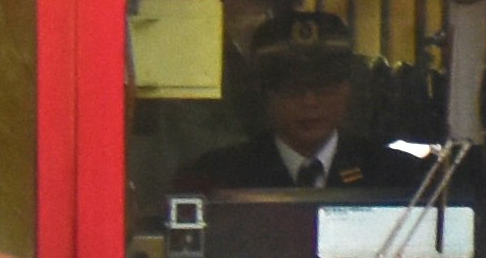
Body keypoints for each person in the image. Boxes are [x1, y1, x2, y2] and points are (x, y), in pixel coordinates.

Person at [174, 21, 412, 198]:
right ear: (265, 93)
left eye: (323, 86)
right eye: (292, 88)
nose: (309, 101)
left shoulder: (395, 176)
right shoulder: (219, 177)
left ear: (346, 90)